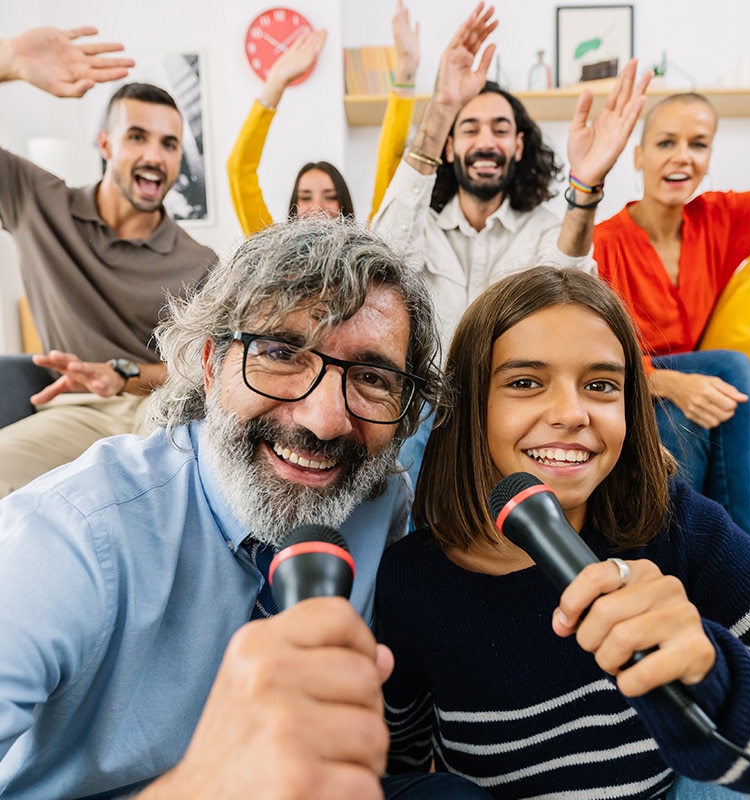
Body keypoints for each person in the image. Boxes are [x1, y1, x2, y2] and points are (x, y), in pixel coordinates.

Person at [0, 218, 489, 799]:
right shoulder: (70, 537)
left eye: (371, 376)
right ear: (211, 365)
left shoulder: (377, 500)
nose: (324, 420)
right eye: (282, 353)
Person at [375, 266, 750, 799]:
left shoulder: (674, 522)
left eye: (600, 386)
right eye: (525, 383)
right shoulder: (409, 583)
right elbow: (395, 759)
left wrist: (717, 677)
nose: (572, 414)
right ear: (468, 405)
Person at [0, 26, 217, 497]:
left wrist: (121, 373)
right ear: (105, 144)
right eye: (137, 137)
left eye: (169, 144)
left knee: (167, 494)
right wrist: (9, 62)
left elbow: (201, 370)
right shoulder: (37, 201)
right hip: (72, 411)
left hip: (157, 412)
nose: (154, 156)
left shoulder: (199, 263)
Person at [371, 2, 651, 351]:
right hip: (428, 402)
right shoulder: (420, 227)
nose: (486, 143)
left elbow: (572, 295)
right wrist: (441, 109)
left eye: (500, 130)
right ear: (449, 147)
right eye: (470, 129)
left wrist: (587, 184)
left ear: (518, 147)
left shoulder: (544, 232)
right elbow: (380, 265)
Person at [593, 90, 750, 542]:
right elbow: (593, 357)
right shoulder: (604, 244)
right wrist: (671, 384)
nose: (682, 157)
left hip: (690, 394)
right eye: (667, 143)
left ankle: (729, 552)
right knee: (726, 367)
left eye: (698, 144)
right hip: (623, 390)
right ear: (639, 157)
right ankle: (744, 547)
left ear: (709, 157)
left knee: (704, 398)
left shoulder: (721, 219)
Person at [227, 0, 418, 234]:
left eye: (330, 196)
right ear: (293, 209)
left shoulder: (367, 251)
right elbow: (239, 168)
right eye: (305, 197)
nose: (317, 208)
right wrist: (277, 80)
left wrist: (406, 70)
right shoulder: (272, 253)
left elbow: (390, 172)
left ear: (344, 206)